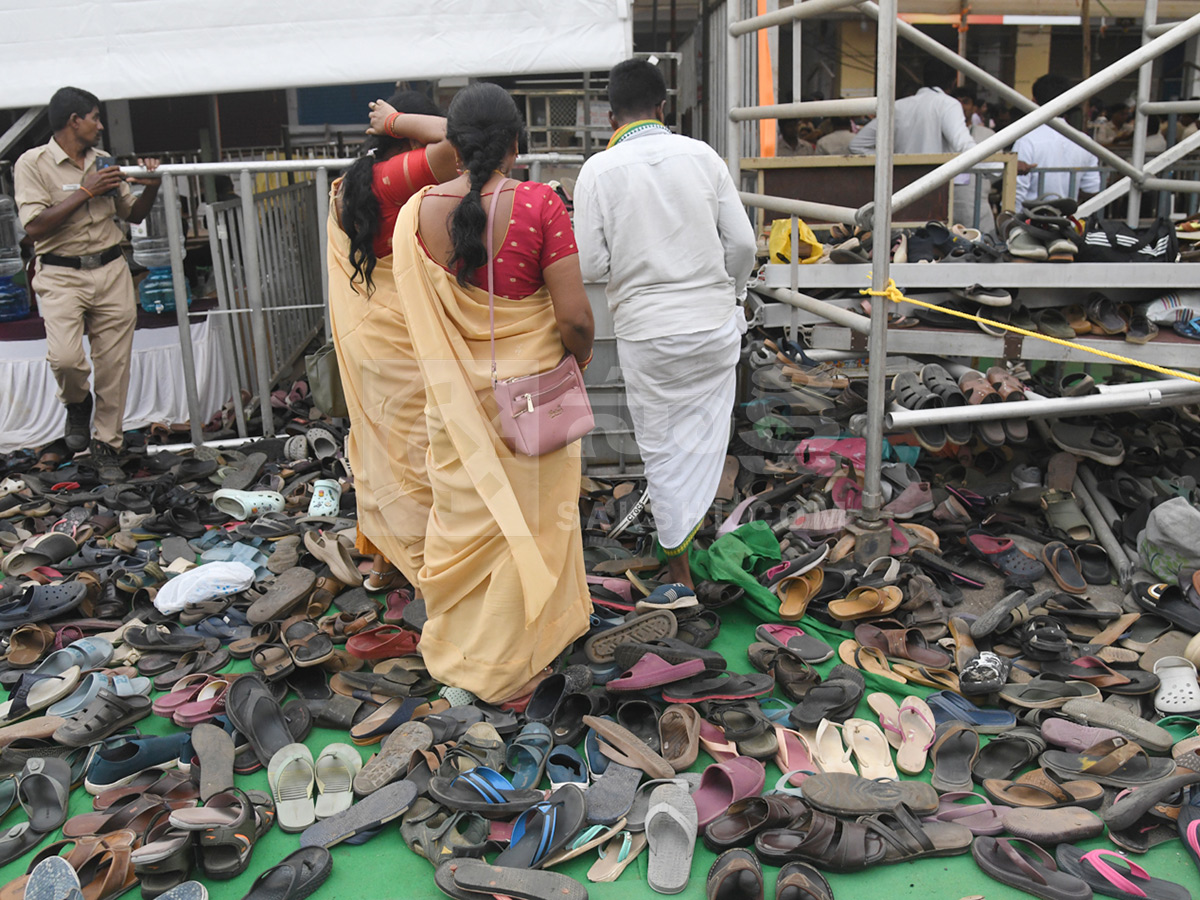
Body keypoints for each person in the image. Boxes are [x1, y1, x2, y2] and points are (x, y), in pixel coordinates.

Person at [390, 82, 594, 703]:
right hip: (530, 401)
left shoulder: (414, 213)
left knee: (463, 519)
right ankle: (522, 653)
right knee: (532, 523)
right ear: (514, 143)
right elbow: (576, 321)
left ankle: (462, 651)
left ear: (453, 143)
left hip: (454, 412)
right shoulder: (540, 206)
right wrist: (577, 360)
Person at [574, 59, 757, 589]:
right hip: (712, 325)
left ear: (611, 117)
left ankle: (679, 568)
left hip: (647, 332)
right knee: (703, 441)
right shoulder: (702, 156)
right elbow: (743, 244)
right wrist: (734, 291)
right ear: (662, 108)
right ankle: (688, 538)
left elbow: (589, 266)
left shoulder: (597, 171)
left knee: (662, 449)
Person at [326, 91, 457, 594]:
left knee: (376, 446)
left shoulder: (350, 185)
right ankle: (429, 567)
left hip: (367, 338)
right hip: (409, 335)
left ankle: (383, 564)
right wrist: (402, 120)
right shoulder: (400, 175)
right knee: (422, 450)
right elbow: (461, 139)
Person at [14, 87, 160, 475]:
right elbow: (34, 227)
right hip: (61, 273)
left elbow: (130, 214)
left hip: (111, 268)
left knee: (114, 365)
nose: (100, 125)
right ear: (73, 120)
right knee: (65, 359)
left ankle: (107, 447)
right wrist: (84, 191)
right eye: (95, 117)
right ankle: (77, 406)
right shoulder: (32, 163)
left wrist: (153, 187)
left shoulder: (105, 161)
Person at [850, 58, 998, 229]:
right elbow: (964, 145)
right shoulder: (948, 104)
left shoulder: (899, 106)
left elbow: (857, 145)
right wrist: (997, 168)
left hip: (900, 193)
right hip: (935, 196)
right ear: (953, 82)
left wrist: (892, 163)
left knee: (903, 245)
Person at [1014, 75, 1101, 214]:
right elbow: (1091, 189)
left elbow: (1016, 191)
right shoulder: (1084, 142)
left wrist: (1012, 224)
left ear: (1033, 102)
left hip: (1032, 222)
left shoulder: (1027, 140)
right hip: (1068, 223)